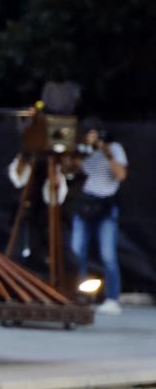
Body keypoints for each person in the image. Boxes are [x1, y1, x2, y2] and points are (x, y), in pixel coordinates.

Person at [70, 121, 128, 313]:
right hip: (87, 201)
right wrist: (79, 152)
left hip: (106, 204)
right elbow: (73, 170)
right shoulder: (85, 150)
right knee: (77, 251)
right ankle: (80, 294)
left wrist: (105, 151)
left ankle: (113, 298)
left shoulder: (114, 148)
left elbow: (120, 175)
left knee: (107, 254)